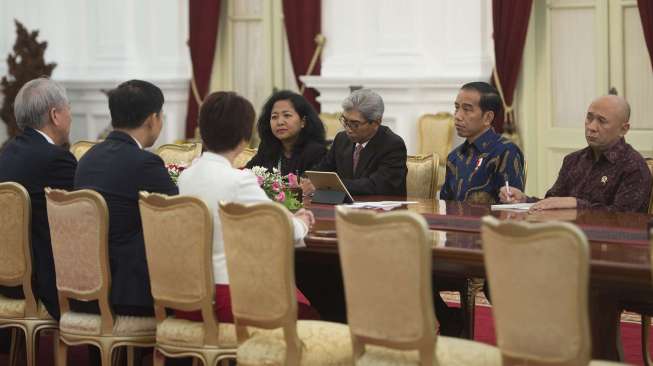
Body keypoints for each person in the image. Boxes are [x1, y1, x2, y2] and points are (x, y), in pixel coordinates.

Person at [177, 91, 319, 322]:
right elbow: (280, 229)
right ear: (245, 139)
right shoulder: (238, 180)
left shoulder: (187, 176)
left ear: (202, 131)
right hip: (229, 298)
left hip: (189, 296)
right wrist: (301, 222)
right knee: (310, 318)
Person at [74, 80, 178, 316]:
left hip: (85, 285)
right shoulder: (145, 163)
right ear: (153, 119)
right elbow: (176, 220)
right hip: (130, 291)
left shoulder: (88, 158)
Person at [0, 77, 76, 320]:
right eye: (69, 108)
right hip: (44, 281)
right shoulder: (57, 160)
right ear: (55, 115)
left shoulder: (8, 151)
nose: (71, 116)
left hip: (7, 277)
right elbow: (81, 220)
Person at [500, 95, 651, 213]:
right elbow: (553, 203)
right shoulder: (573, 160)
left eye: (602, 121)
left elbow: (624, 218)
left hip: (610, 247)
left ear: (624, 129)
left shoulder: (633, 167)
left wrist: (575, 204)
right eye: (589, 118)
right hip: (564, 239)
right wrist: (523, 199)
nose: (591, 127)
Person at [302, 88, 407, 196]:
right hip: (345, 206)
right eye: (345, 121)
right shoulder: (341, 139)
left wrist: (331, 185)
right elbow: (322, 170)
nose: (348, 129)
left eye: (355, 124)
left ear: (376, 122)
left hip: (384, 210)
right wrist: (305, 180)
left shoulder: (392, 144)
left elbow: (376, 185)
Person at [440, 81, 525, 204]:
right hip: (455, 222)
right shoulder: (454, 156)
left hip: (490, 223)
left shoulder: (505, 152)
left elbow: (512, 207)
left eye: (467, 109)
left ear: (488, 118)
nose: (458, 116)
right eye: (457, 108)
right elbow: (445, 204)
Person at [246, 90, 327, 176]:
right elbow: (246, 174)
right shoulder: (267, 148)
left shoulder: (316, 152)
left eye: (287, 115)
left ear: (303, 121)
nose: (280, 122)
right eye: (274, 117)